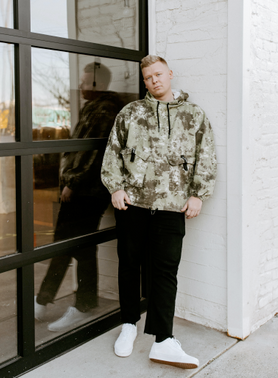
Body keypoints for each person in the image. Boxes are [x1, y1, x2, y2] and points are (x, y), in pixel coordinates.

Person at [101, 55, 217, 369]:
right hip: (133, 204)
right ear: (145, 82)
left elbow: (205, 156)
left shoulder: (194, 115)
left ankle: (163, 340)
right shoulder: (131, 113)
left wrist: (198, 194)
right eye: (148, 77)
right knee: (129, 264)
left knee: (165, 271)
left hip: (172, 205)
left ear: (169, 74)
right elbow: (113, 151)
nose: (154, 80)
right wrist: (116, 187)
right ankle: (128, 325)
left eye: (158, 74)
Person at [35, 62, 123, 332]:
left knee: (79, 247)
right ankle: (45, 300)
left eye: (85, 82)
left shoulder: (106, 109)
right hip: (80, 189)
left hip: (89, 191)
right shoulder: (91, 107)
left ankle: (80, 306)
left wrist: (72, 183)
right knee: (65, 244)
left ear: (96, 84)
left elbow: (94, 154)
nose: (80, 86)